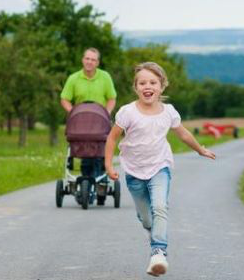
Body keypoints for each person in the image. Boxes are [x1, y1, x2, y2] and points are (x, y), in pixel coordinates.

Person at [104, 62, 216, 277]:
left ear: (162, 86)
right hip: (134, 170)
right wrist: (109, 164)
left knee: (160, 207)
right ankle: (152, 232)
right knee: (146, 218)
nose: (148, 86)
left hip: (159, 166)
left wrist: (200, 149)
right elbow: (112, 138)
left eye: (153, 82)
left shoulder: (169, 112)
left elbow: (183, 134)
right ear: (136, 87)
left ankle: (158, 252)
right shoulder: (127, 112)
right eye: (143, 82)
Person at [61, 48, 117, 181]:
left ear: (97, 62)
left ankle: (100, 176)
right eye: (87, 58)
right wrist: (73, 112)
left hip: (99, 122)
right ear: (82, 60)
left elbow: (111, 98)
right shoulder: (73, 78)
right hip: (81, 123)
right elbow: (64, 98)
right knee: (83, 148)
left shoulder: (105, 77)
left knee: (100, 149)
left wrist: (107, 112)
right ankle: (87, 179)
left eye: (93, 59)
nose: (89, 62)